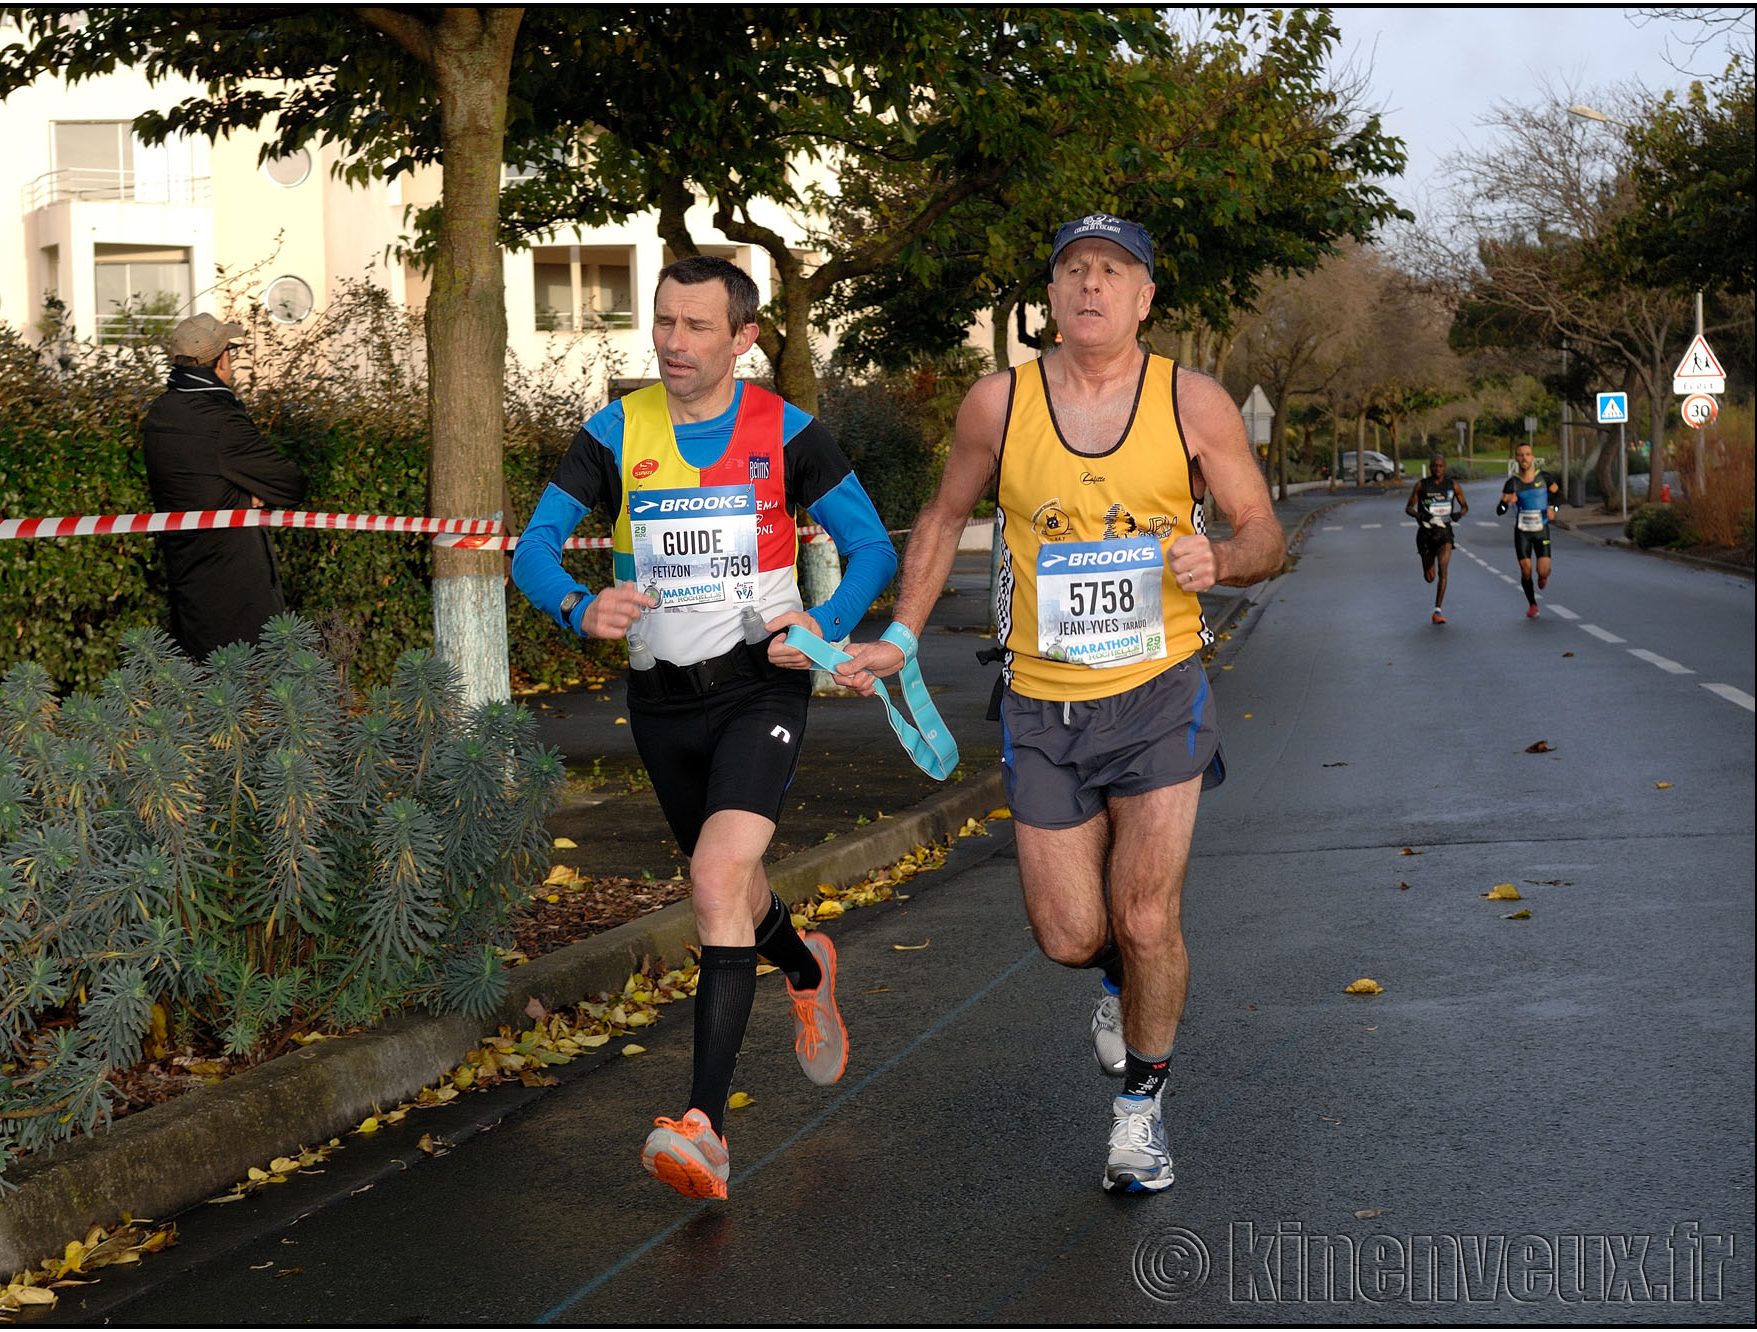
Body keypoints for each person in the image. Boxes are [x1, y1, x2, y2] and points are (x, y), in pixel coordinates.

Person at [833, 213, 1284, 1193]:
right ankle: (1116, 987)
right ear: (1051, 294)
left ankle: (1140, 1115)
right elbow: (945, 517)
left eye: (1112, 271)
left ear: (1144, 296)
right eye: (1073, 271)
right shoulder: (997, 404)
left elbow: (1264, 536)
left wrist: (1224, 557)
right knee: (1071, 934)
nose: (1090, 286)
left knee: (1148, 914)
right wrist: (902, 636)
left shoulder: (1190, 402)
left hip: (1161, 688)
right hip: (1041, 702)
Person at [512, 256, 897, 1201]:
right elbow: (530, 550)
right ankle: (807, 966)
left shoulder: (789, 434)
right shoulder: (613, 432)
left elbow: (872, 547)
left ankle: (704, 1130)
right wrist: (575, 607)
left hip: (761, 686)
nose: (673, 343)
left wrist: (824, 625)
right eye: (663, 322)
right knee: (737, 889)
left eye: (695, 326)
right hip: (660, 701)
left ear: (743, 338)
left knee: (715, 878)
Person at [141, 313, 308, 660]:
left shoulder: (159, 414)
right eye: (230, 351)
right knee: (257, 700)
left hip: (187, 583)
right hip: (239, 589)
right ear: (220, 360)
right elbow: (291, 484)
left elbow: (193, 484)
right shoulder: (220, 420)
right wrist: (249, 496)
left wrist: (239, 494)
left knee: (203, 696)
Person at [1406, 453, 1468, 624]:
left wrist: (1458, 515)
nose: (1437, 469)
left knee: (1443, 569)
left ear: (1445, 467)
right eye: (1434, 466)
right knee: (1429, 577)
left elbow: (1465, 507)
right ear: (1430, 466)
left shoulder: (1453, 486)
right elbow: (1408, 507)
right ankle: (1427, 566)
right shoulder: (1422, 485)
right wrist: (1419, 515)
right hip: (1425, 535)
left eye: (1441, 466)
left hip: (1444, 534)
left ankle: (1437, 610)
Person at [1498, 442, 1559, 618]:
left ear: (1532, 458)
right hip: (1522, 531)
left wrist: (1553, 510)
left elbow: (1557, 494)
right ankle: (1532, 604)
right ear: (1516, 459)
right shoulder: (1512, 483)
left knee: (1542, 571)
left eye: (1527, 454)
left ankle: (1543, 575)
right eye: (1520, 455)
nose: (1524, 458)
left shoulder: (1545, 478)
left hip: (1541, 529)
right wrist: (1506, 503)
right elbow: (1499, 511)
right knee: (1525, 569)